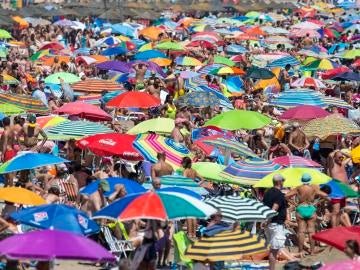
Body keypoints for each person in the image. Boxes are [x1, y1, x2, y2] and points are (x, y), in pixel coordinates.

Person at [285, 173, 329, 256]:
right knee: (311, 231)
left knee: (301, 232)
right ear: (310, 180)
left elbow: (286, 196)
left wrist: (294, 204)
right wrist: (317, 202)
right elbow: (326, 196)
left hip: (301, 208)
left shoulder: (298, 188)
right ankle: (312, 251)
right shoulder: (313, 188)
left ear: (302, 180)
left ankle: (300, 251)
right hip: (310, 208)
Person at [263, 174, 287, 270]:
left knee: (272, 248)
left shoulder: (267, 192)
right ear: (280, 182)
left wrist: (264, 221)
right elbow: (274, 209)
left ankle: (270, 268)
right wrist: (267, 220)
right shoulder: (279, 194)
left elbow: (264, 207)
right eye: (283, 181)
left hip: (269, 223)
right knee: (274, 250)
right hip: (275, 223)